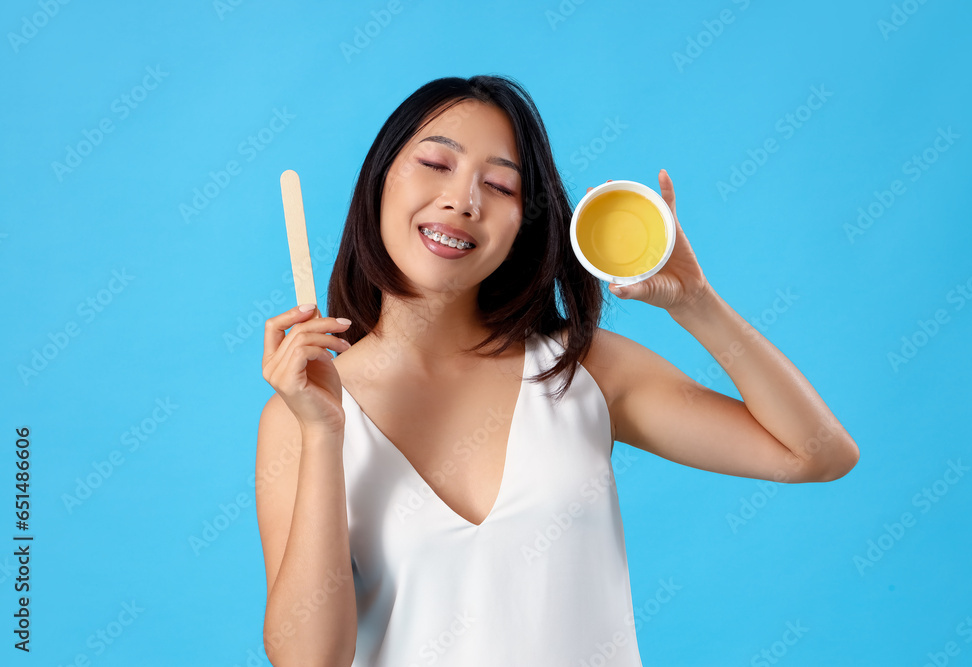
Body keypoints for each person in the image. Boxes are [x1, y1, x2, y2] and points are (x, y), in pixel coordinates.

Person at [254, 74, 860, 666]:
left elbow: (816, 454)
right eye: (436, 164)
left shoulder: (580, 369)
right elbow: (309, 660)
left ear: (525, 225)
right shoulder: (303, 414)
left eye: (499, 186)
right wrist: (323, 434)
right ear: (378, 181)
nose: (462, 201)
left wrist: (695, 302)